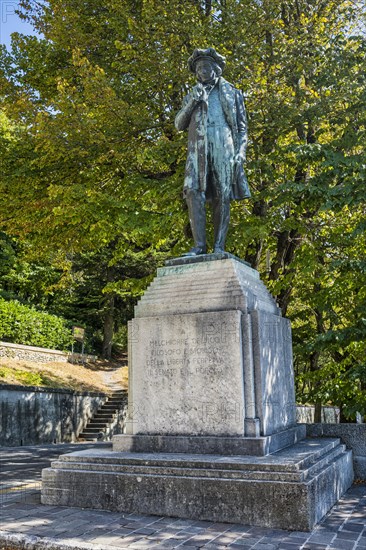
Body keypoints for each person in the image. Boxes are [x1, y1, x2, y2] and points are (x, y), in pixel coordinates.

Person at [175, 48, 250, 256]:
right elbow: (179, 124)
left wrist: (241, 152)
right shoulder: (192, 93)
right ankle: (199, 246)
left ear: (215, 69)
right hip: (197, 145)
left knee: (222, 194)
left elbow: (243, 128)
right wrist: (192, 102)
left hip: (223, 142)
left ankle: (219, 246)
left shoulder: (231, 93)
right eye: (199, 68)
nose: (202, 70)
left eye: (206, 66)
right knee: (192, 191)